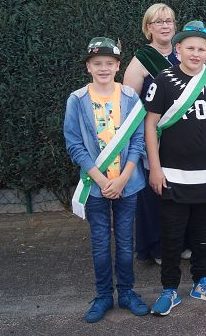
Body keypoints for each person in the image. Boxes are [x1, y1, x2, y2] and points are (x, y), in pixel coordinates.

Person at [144, 21, 206, 315]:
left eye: (201, 49)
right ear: (178, 50)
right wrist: (155, 168)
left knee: (202, 233)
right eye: (190, 48)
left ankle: (202, 282)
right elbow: (150, 125)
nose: (196, 54)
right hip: (172, 174)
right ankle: (169, 289)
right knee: (172, 235)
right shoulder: (164, 79)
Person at [63, 37, 149, 322]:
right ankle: (103, 296)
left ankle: (126, 292)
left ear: (117, 66)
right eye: (97, 63)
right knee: (100, 243)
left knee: (125, 242)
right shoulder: (77, 100)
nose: (103, 68)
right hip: (96, 187)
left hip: (128, 184)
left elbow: (138, 140)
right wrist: (101, 180)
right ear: (88, 67)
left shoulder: (130, 97)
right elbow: (74, 145)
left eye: (109, 63)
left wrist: (123, 178)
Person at [122, 3, 184, 266]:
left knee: (181, 189)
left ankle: (183, 242)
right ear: (148, 28)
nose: (165, 26)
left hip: (184, 136)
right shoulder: (141, 60)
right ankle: (157, 245)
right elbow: (127, 103)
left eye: (169, 21)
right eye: (159, 22)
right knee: (156, 191)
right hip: (155, 137)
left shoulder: (183, 53)